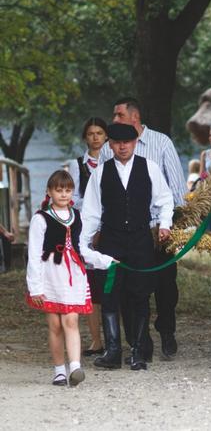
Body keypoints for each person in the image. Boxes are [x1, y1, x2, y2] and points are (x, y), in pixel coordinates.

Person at [98, 97, 187, 360]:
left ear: (133, 117)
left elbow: (178, 192)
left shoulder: (161, 144)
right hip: (122, 232)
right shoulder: (108, 149)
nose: (113, 119)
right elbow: (102, 191)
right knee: (126, 286)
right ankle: (138, 342)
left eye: (118, 114)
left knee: (164, 284)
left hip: (157, 228)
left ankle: (167, 331)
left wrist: (168, 225)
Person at [81, 123, 174, 371]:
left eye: (128, 142)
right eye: (118, 142)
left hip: (140, 240)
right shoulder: (101, 173)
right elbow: (91, 212)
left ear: (135, 143)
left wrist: (165, 224)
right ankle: (112, 350)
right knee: (110, 294)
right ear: (110, 144)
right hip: (111, 241)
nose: (123, 147)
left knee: (140, 294)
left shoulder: (149, 168)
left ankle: (138, 350)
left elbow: (165, 200)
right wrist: (85, 244)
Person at [26, 170, 98, 386]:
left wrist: (103, 260)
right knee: (55, 325)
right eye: (59, 190)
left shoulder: (78, 217)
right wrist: (35, 287)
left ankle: (75, 367)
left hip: (73, 275)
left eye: (68, 190)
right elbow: (34, 254)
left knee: (71, 319)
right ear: (49, 192)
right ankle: (59, 370)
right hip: (49, 274)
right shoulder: (41, 218)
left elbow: (83, 247)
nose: (64, 194)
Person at [68, 117, 108, 356]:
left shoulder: (114, 162)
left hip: (111, 228)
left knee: (112, 284)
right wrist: (92, 208)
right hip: (86, 229)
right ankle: (96, 339)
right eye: (91, 133)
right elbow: (73, 197)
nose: (95, 137)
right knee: (91, 288)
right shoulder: (78, 165)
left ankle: (117, 337)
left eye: (100, 133)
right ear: (85, 137)